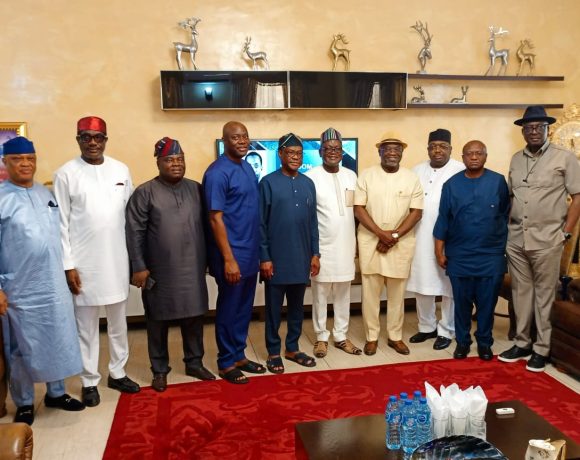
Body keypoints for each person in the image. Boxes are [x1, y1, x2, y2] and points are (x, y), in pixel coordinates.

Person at [53, 116, 140, 407]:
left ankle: (118, 372)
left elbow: (131, 218)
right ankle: (90, 380)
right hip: (84, 265)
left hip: (117, 260)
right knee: (86, 328)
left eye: (98, 137)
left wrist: (135, 259)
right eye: (86, 137)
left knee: (118, 323)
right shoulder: (65, 174)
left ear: (105, 140)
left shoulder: (121, 169)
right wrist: (68, 265)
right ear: (78, 140)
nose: (92, 142)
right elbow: (61, 224)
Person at [0, 136, 84, 425]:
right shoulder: (2, 198)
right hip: (18, 287)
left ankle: (56, 393)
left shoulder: (45, 193)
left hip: (53, 283)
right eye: (17, 159)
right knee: (20, 347)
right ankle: (24, 402)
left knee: (56, 337)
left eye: (30, 158)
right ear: (5, 162)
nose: (25, 164)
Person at [125, 137, 214, 392]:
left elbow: (209, 228)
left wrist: (210, 261)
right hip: (160, 270)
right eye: (169, 160)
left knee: (194, 316)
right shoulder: (145, 192)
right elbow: (134, 232)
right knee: (157, 320)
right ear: (158, 162)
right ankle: (160, 369)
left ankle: (194, 363)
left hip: (192, 267)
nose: (176, 164)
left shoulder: (196, 189)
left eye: (180, 159)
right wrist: (138, 267)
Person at [499, 106, 580, 372]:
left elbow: (578, 196)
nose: (534, 131)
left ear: (547, 129)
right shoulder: (515, 159)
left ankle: (542, 349)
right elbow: (512, 197)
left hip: (548, 238)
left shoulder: (564, 158)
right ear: (522, 131)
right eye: (529, 127)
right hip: (517, 239)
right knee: (521, 292)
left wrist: (566, 232)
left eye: (539, 127)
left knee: (545, 294)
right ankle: (522, 342)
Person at [434, 140, 510, 361]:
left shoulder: (498, 181)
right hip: (460, 255)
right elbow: (443, 219)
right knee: (462, 303)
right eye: (469, 154)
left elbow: (506, 214)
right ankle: (463, 342)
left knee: (487, 304)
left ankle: (485, 343)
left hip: (491, 255)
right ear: (463, 157)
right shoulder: (451, 185)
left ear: (485, 156)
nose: (474, 157)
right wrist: (439, 252)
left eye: (479, 153)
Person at [203, 121, 265, 385]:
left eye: (245, 137)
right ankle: (226, 361)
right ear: (225, 141)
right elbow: (215, 218)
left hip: (250, 252)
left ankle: (239, 355)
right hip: (231, 254)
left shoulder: (247, 166)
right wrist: (228, 259)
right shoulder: (217, 173)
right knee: (229, 308)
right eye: (235, 137)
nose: (241, 141)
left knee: (243, 308)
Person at [354, 133, 423, 356]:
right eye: (387, 149)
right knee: (370, 296)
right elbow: (358, 209)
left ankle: (395, 336)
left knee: (397, 296)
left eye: (397, 149)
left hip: (400, 243)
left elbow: (416, 212)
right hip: (371, 242)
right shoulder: (366, 175)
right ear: (379, 152)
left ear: (402, 153)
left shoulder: (411, 178)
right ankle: (372, 337)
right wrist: (381, 234)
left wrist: (392, 237)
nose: (392, 153)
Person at [260, 133, 320, 373]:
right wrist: (264, 257)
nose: (295, 157)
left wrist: (315, 254)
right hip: (275, 259)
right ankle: (274, 352)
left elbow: (313, 222)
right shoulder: (267, 183)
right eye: (290, 153)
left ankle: (292, 348)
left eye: (299, 153)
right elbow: (260, 224)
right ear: (280, 154)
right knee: (274, 310)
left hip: (302, 258)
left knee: (297, 307)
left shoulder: (308, 183)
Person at [406, 129, 464, 351]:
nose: (437, 150)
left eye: (442, 146)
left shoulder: (460, 170)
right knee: (422, 283)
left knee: (449, 287)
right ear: (428, 149)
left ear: (451, 149)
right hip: (420, 236)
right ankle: (426, 327)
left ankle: (447, 330)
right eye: (433, 146)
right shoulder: (416, 170)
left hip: (451, 239)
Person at [305, 127, 360, 358]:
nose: (332, 152)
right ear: (320, 151)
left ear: (342, 151)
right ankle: (321, 337)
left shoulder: (351, 176)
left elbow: (356, 211)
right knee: (320, 293)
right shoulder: (311, 177)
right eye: (327, 149)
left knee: (343, 293)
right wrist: (312, 251)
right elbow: (307, 217)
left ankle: (340, 335)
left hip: (346, 245)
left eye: (337, 148)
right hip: (322, 247)